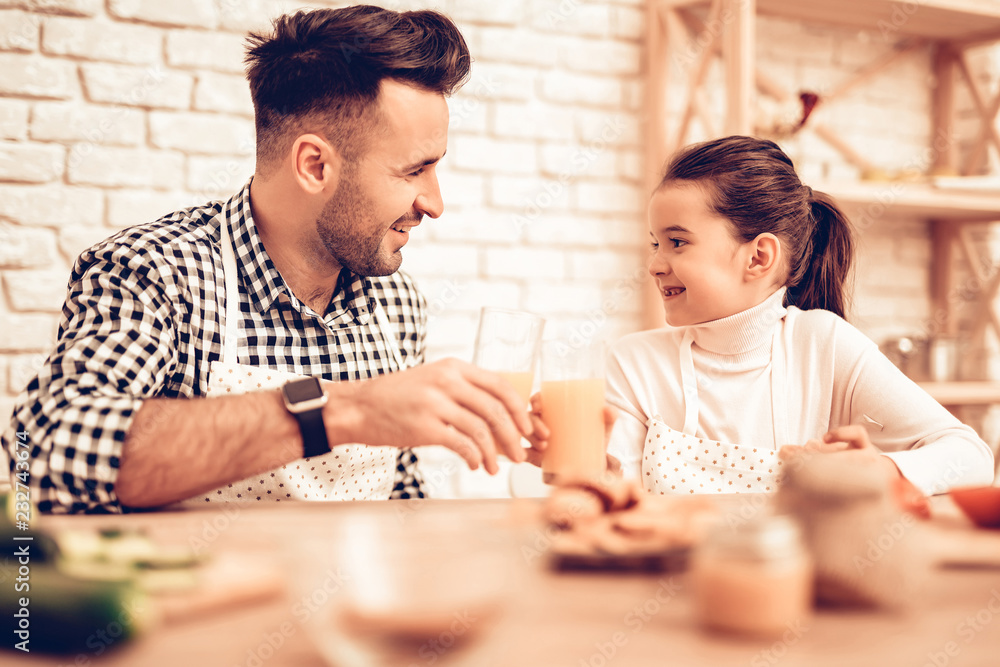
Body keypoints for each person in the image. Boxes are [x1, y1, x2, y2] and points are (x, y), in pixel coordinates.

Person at [2, 5, 534, 514]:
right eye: (414, 170)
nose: (434, 204)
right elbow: (44, 455)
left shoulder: (397, 303)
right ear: (314, 166)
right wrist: (347, 408)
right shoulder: (156, 273)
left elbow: (402, 503)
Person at [603, 135, 995, 496]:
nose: (654, 264)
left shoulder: (823, 345)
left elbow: (972, 456)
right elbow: (617, 497)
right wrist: (579, 469)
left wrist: (878, 470)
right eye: (655, 243)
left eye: (676, 242)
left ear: (758, 257)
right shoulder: (635, 363)